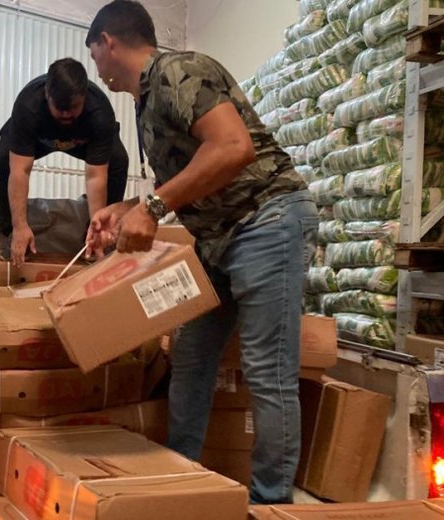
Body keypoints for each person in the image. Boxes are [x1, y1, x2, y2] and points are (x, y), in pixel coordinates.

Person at [84, 0, 318, 504]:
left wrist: (152, 206)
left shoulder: (179, 69)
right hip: (219, 240)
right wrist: (125, 208)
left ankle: (270, 503)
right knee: (190, 355)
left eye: (94, 58)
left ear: (108, 42)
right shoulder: (147, 101)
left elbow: (234, 148)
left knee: (266, 370)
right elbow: (178, 178)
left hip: (265, 222)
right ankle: (182, 478)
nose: (97, 73)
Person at [0, 57, 129, 266]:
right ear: (47, 95)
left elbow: (96, 176)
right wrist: (20, 225)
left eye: (73, 107)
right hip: (40, 138)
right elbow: (20, 171)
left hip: (82, 140)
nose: (66, 114)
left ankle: (97, 238)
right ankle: (12, 235)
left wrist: (97, 227)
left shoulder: (100, 113)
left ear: (84, 98)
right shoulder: (28, 105)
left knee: (118, 160)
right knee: (3, 158)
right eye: (60, 107)